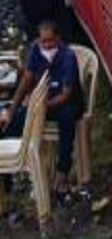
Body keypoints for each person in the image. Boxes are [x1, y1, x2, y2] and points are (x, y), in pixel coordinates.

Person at [0, 21, 81, 193]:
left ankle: (63, 172)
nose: (47, 45)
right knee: (10, 122)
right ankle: (6, 177)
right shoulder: (36, 51)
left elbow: (66, 94)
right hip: (44, 103)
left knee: (67, 120)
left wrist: (41, 106)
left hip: (66, 104)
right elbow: (25, 82)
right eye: (44, 41)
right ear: (38, 40)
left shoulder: (68, 57)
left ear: (58, 38)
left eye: (50, 41)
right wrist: (11, 110)